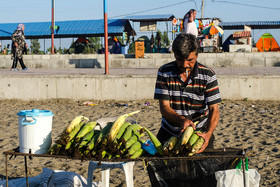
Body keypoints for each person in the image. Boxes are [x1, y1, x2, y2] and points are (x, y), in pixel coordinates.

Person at [149, 33, 221, 186]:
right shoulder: (164, 72)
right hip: (170, 132)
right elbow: (165, 108)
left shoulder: (208, 75)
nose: (185, 64)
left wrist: (208, 134)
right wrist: (182, 120)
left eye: (190, 60)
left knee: (204, 179)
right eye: (180, 60)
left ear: (197, 55)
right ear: (174, 55)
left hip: (200, 132)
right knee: (168, 178)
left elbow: (214, 109)